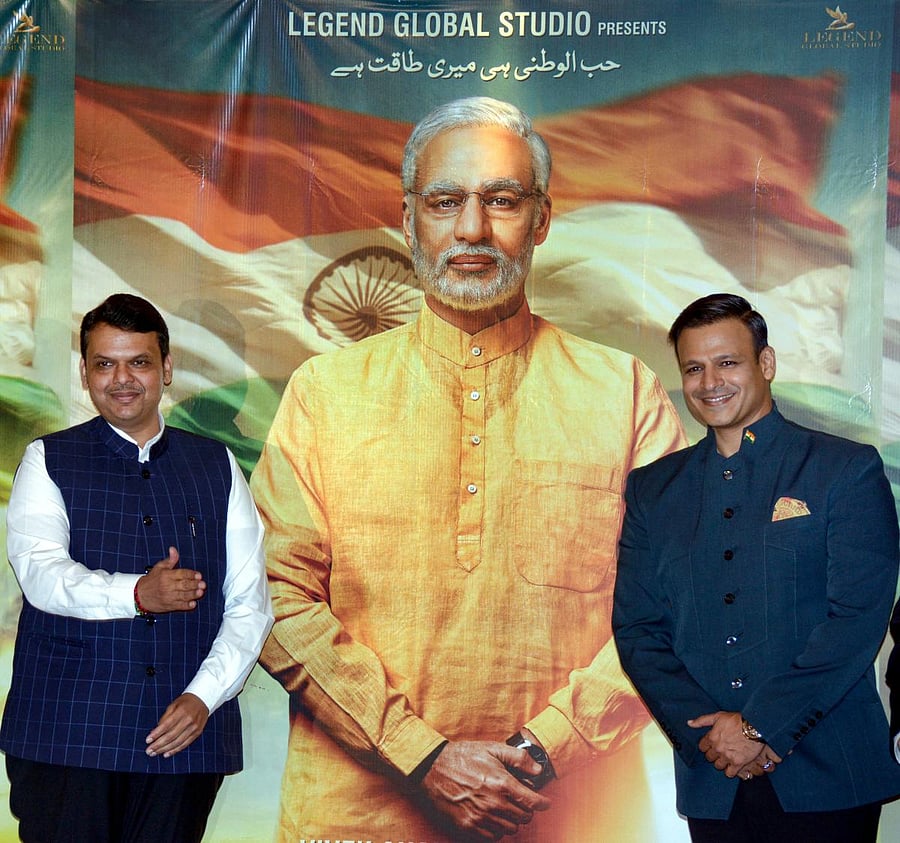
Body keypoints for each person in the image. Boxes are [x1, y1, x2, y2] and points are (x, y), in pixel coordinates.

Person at [250, 96, 686, 842]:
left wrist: (537, 752)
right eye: (446, 201)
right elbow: (271, 595)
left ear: (542, 220)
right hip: (358, 818)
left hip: (568, 815)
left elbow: (679, 604)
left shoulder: (625, 394)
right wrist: (423, 756)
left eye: (503, 201)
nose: (473, 230)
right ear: (410, 216)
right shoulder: (325, 394)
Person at [613, 293, 900, 842]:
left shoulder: (844, 469)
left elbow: (857, 619)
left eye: (728, 362)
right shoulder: (653, 489)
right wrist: (713, 737)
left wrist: (757, 726)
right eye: (693, 368)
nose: (709, 382)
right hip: (714, 778)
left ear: (765, 365)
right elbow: (638, 630)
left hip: (828, 773)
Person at [0, 294, 274, 843]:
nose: (121, 379)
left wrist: (203, 698)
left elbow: (251, 605)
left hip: (184, 738)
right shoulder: (47, 458)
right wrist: (138, 594)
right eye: (105, 363)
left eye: (139, 362)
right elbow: (42, 575)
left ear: (166, 370)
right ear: (85, 373)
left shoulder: (216, 464)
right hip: (67, 734)